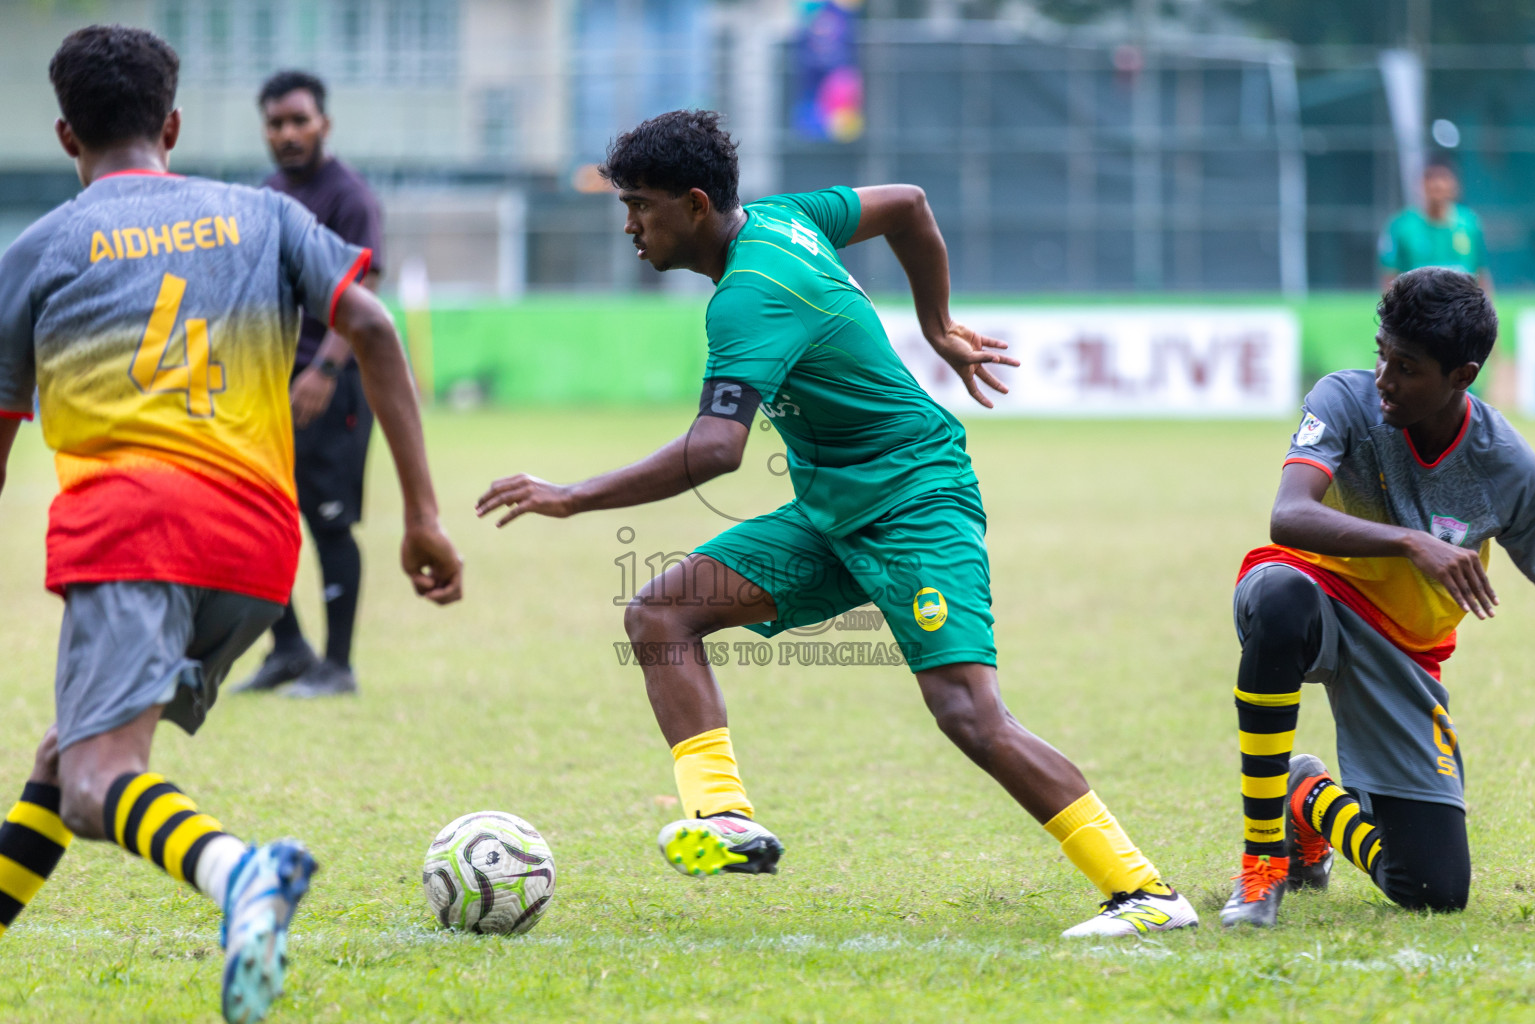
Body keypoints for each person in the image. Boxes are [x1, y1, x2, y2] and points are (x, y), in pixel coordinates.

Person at [475, 109, 1198, 938]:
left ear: (697, 204)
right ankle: (724, 821)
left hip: (914, 499)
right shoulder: (790, 217)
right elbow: (911, 207)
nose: (630, 226)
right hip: (832, 507)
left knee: (968, 713)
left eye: (639, 205)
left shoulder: (747, 298)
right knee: (661, 612)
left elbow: (716, 451)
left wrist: (570, 495)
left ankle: (1146, 894)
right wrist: (936, 326)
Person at [0, 26, 462, 1022]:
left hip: (130, 534)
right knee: (67, 754)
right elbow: (372, 325)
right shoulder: (262, 213)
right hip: (257, 552)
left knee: (97, 780)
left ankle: (240, 872)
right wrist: (421, 516)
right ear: (170, 125)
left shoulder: (33, 252)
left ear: (64, 133)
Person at [1220, 267, 1535, 928]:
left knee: (1433, 888)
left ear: (1462, 376)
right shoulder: (1344, 399)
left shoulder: (1505, 464)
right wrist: (1410, 542)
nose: (1385, 380)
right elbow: (1288, 515)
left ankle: (1307, 796)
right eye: (1381, 355)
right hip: (1311, 596)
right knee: (1279, 597)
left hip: (1403, 648)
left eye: (1408, 368)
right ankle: (1260, 868)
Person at [234, 70, 385, 699]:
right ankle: (288, 648)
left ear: (323, 123)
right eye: (277, 123)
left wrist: (324, 370)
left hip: (332, 383)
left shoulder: (349, 197)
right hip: (268, 386)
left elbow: (364, 292)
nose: (288, 133)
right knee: (258, 518)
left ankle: (338, 664)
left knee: (326, 522)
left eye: (300, 120)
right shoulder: (267, 195)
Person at [1378, 160, 1491, 293]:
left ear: (1455, 185)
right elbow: (1390, 275)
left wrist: (1488, 309)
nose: (1437, 184)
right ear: (1421, 185)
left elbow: (1481, 272)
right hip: (1418, 306)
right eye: (1430, 178)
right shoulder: (1401, 225)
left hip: (1461, 306)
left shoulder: (1469, 223)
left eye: (1443, 178)